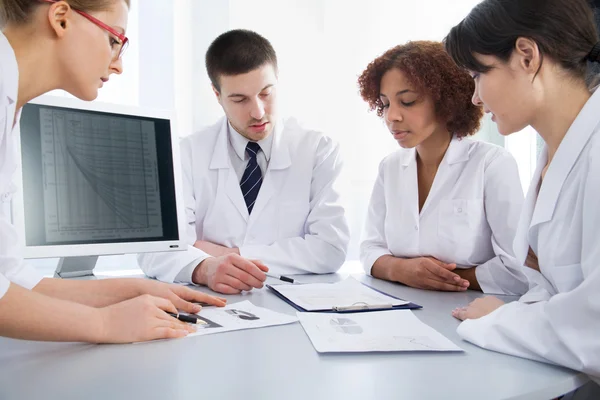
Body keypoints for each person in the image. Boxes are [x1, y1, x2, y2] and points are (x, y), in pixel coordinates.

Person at [0, 0, 228, 344]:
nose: (119, 65)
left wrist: (130, 290)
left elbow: (15, 280)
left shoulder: (10, 107)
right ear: (61, 19)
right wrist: (105, 325)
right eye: (113, 40)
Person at [445, 0, 600, 387]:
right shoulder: (555, 154)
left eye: (478, 74)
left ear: (527, 56)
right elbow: (550, 291)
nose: (476, 98)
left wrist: (500, 320)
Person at [138, 29, 350, 295]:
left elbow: (330, 249)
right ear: (217, 95)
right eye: (240, 99)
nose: (258, 112)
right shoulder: (187, 153)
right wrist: (205, 268)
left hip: (296, 306)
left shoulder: (318, 150)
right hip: (212, 305)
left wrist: (230, 255)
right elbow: (155, 252)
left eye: (266, 93)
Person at [358, 41, 528, 294]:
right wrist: (401, 270)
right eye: (385, 104)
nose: (391, 116)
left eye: (407, 101)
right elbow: (370, 248)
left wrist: (446, 278)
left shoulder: (491, 164)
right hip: (396, 308)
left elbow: (518, 271)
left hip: (469, 311)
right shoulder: (390, 167)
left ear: (446, 100)